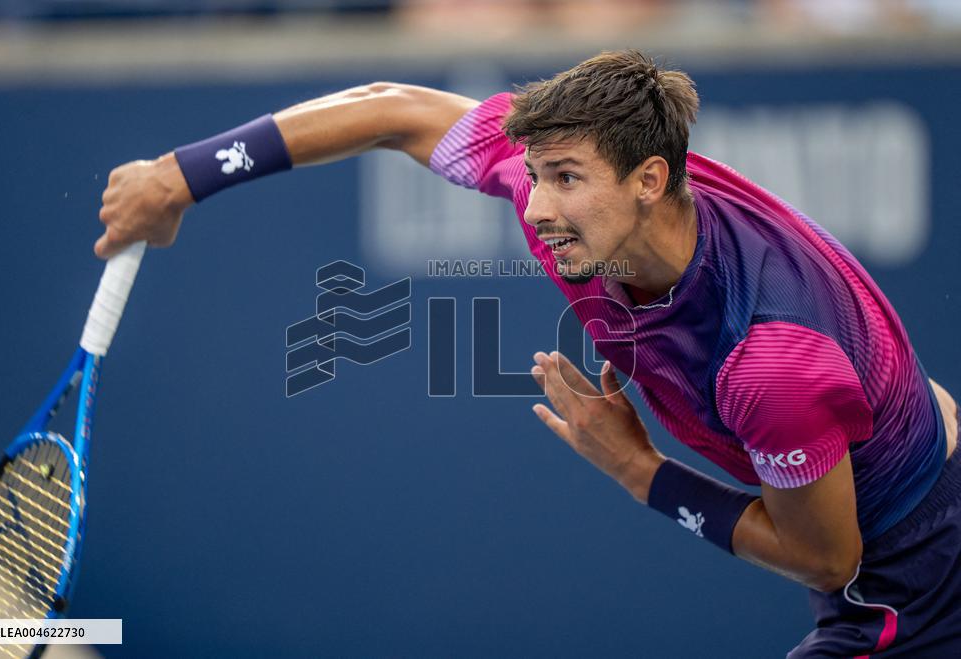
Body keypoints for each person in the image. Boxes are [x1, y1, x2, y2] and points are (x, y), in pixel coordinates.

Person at [96, 50, 961, 657]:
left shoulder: (768, 358)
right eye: (537, 172)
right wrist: (181, 177)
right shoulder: (570, 200)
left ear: (650, 180)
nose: (538, 206)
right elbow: (391, 109)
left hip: (909, 586)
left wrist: (641, 472)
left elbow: (828, 558)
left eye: (568, 178)